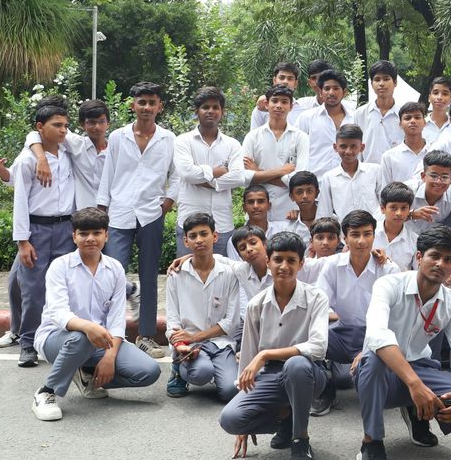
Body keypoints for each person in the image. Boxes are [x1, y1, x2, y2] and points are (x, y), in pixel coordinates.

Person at [354, 226, 451, 460]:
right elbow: (377, 335)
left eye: (448, 260)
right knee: (373, 360)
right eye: (434, 256)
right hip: (380, 372)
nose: (440, 264)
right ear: (418, 257)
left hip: (420, 368)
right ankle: (371, 442)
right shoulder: (388, 284)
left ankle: (417, 412)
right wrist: (415, 385)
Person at [31, 207, 161, 421]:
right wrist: (88, 327)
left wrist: (110, 356)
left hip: (101, 341)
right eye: (83, 233)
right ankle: (46, 392)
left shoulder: (115, 269)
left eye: (96, 233)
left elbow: (117, 319)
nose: (90, 238)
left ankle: (87, 377)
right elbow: (58, 313)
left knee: (148, 371)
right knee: (82, 337)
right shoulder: (60, 267)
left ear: (106, 235)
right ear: (74, 236)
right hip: (57, 339)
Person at [218, 233, 331, 460]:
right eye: (278, 259)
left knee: (296, 365)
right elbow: (248, 359)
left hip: (309, 373)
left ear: (301, 264)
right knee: (230, 419)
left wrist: (266, 354)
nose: (284, 266)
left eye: (291, 260)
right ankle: (285, 417)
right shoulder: (256, 304)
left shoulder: (316, 297)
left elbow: (318, 347)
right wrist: (245, 418)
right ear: (268, 262)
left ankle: (300, 440)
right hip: (270, 374)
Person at [95, 81, 175, 358]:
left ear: (159, 106)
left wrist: (168, 201)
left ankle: (146, 336)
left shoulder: (168, 138)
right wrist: (102, 209)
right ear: (133, 105)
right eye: (142, 102)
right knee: (113, 272)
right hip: (119, 212)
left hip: (152, 213)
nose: (147, 107)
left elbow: (175, 174)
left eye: (152, 103)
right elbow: (108, 173)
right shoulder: (118, 137)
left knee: (149, 275)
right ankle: (111, 333)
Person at [313, 210, 400, 416]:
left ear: (374, 236)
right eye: (355, 235)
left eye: (367, 234)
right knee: (307, 336)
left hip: (376, 335)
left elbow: (395, 316)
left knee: (355, 380)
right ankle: (323, 389)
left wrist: (368, 349)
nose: (361, 241)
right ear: (345, 238)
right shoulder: (332, 266)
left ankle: (375, 380)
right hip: (341, 332)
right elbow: (319, 305)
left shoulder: (388, 269)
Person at [11, 102, 77, 368]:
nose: (63, 130)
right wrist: (23, 241)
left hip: (66, 228)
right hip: (37, 229)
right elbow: (20, 202)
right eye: (57, 125)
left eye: (65, 125)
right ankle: (27, 343)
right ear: (40, 127)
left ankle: (60, 337)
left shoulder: (68, 153)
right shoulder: (27, 160)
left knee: (65, 286)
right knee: (34, 289)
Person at [164, 212, 246, 402]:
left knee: (230, 392)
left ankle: (218, 369)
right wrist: (181, 345)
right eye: (193, 236)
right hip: (189, 344)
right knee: (201, 373)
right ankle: (179, 369)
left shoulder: (229, 273)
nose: (199, 240)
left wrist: (196, 337)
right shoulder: (176, 274)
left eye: (204, 234)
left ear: (214, 236)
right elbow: (173, 320)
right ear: (186, 241)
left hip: (221, 343)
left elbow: (231, 322)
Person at [170, 87, 246, 256]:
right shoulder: (183, 141)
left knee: (223, 271)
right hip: (189, 224)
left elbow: (239, 177)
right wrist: (217, 171)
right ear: (196, 111)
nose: (211, 111)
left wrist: (208, 181)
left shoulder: (232, 144)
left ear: (222, 112)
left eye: (215, 107)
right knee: (187, 270)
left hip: (222, 224)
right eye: (205, 107)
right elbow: (187, 173)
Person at [240, 84, 309, 222]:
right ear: (266, 104)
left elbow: (299, 180)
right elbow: (244, 177)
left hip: (289, 210)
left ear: (291, 106)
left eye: (284, 102)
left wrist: (258, 172)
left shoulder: (301, 137)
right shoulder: (252, 137)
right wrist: (281, 171)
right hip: (258, 210)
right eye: (275, 101)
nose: (279, 106)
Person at [317, 124, 385, 222]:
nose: (348, 151)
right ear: (335, 147)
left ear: (362, 147)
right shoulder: (329, 177)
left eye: (353, 146)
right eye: (343, 146)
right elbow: (324, 212)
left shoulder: (375, 171)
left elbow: (384, 203)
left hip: (374, 228)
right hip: (344, 230)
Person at [295, 69, 353, 177]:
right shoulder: (307, 118)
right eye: (327, 89)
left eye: (336, 88)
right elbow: (295, 150)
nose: (331, 93)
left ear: (344, 92)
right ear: (321, 92)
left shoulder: (355, 118)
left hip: (348, 180)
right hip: (315, 181)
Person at [406, 151, 451, 237]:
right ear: (423, 176)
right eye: (433, 176)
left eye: (444, 177)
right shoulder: (408, 190)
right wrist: (411, 215)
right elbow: (388, 216)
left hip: (432, 241)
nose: (439, 182)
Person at [357, 60, 405, 162]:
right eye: (377, 80)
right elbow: (355, 144)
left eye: (386, 79)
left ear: (395, 82)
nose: (381, 84)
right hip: (367, 169)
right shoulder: (360, 114)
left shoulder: (404, 114)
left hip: (397, 170)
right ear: (371, 84)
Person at [379, 100, 429, 186]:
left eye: (417, 117)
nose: (413, 121)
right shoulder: (389, 157)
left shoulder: (433, 151)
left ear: (424, 122)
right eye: (407, 118)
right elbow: (385, 188)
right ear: (400, 124)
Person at [373, 182, 418, 270]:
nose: (399, 213)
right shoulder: (369, 233)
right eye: (393, 208)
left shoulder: (415, 240)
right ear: (383, 209)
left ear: (409, 210)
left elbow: (417, 272)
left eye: (404, 208)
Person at [250, 61, 301, 129]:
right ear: (274, 80)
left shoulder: (302, 111)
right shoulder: (261, 108)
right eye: (282, 78)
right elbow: (254, 133)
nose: (285, 82)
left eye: (290, 79)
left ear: (296, 84)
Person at [422, 76, 451, 144]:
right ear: (429, 98)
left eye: (445, 94)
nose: (439, 97)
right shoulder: (421, 125)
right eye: (435, 93)